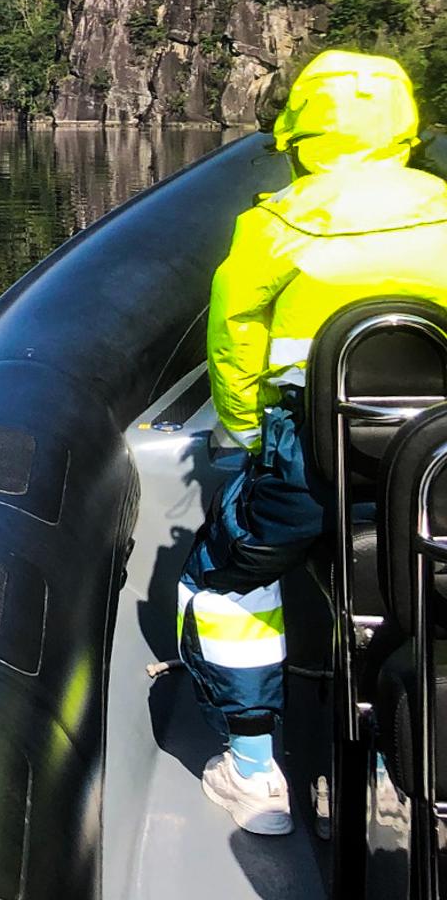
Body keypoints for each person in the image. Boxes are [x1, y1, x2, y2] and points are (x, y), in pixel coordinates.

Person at [178, 49, 447, 835]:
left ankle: (256, 772)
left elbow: (233, 343)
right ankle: (410, 764)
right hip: (434, 470)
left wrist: (246, 435)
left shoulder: (274, 224)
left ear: (299, 135)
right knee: (419, 585)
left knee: (226, 577)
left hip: (312, 465)